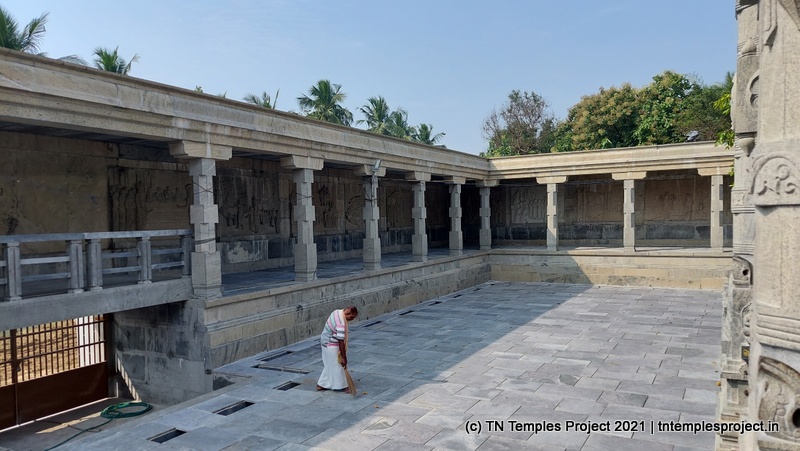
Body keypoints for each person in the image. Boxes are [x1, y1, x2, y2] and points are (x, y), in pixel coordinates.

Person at [316, 306, 358, 393]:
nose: (352, 319)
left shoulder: (337, 312)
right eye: (352, 317)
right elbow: (341, 341)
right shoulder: (341, 324)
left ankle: (322, 384)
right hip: (330, 343)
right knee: (338, 364)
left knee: (330, 364)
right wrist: (344, 357)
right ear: (347, 314)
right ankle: (343, 386)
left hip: (324, 340)